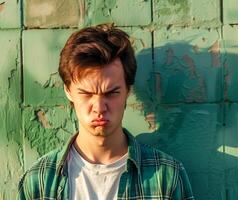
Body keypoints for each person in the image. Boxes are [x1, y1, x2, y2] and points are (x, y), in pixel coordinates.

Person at [17, 23, 194, 200]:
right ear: (68, 91)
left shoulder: (167, 177)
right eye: (86, 94)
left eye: (111, 93)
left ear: (128, 91)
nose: (100, 108)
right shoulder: (39, 181)